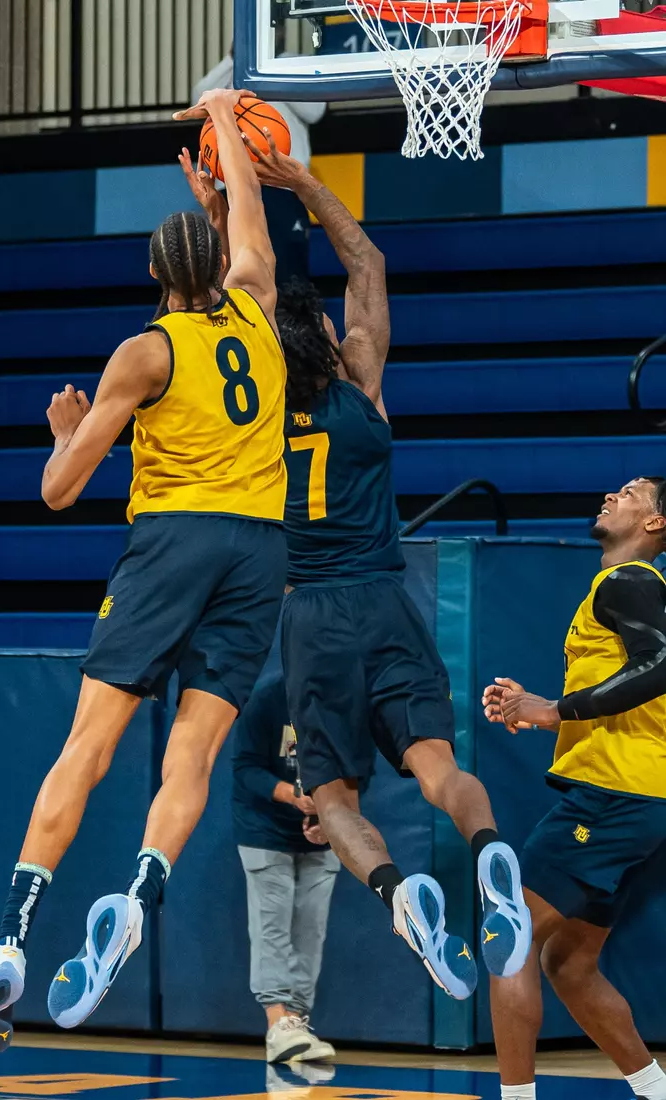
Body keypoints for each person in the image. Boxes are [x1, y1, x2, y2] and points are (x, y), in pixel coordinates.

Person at [0, 87, 288, 1055]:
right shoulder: (261, 307)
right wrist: (223, 119)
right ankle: (140, 894)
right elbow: (252, 222)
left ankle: (11, 937)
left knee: (88, 745)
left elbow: (59, 492)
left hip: (175, 540)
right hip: (260, 550)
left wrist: (65, 435)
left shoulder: (144, 353)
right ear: (221, 265)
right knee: (194, 752)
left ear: (152, 273)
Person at [238, 132, 532, 1002]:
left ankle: (400, 895)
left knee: (332, 800)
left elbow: (232, 314)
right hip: (384, 598)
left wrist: (223, 211)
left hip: (311, 616)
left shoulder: (251, 424)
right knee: (440, 770)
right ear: (327, 342)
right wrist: (301, 183)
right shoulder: (359, 387)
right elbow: (365, 260)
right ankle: (489, 853)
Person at [482, 476, 666, 1100]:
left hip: (616, 795)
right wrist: (534, 709)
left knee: (508, 940)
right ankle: (654, 1089)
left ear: (656, 523)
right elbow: (635, 694)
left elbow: (660, 665)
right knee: (569, 962)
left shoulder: (628, 580)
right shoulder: (627, 587)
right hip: (638, 797)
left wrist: (554, 709)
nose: (613, 495)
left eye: (632, 493)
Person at [233, 667, 339, 1064]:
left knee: (311, 929)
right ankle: (277, 1023)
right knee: (272, 927)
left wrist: (331, 818)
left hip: (325, 830)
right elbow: (245, 768)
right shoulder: (266, 698)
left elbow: (359, 769)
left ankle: (296, 1022)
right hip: (264, 831)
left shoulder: (346, 700)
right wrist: (293, 796)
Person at [191, 47, 325, 284]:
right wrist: (234, 59)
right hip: (232, 188)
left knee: (289, 277)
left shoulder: (293, 65)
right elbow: (196, 100)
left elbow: (316, 111)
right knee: (234, 274)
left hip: (283, 186)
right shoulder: (233, 69)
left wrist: (270, 71)